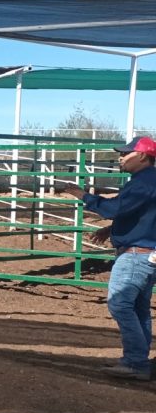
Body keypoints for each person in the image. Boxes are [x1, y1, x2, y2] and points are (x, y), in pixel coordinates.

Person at [65, 136, 156, 381]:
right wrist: (111, 230)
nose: (121, 157)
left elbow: (117, 208)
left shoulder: (143, 182)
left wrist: (84, 196)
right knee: (138, 308)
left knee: (120, 304)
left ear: (143, 156)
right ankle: (139, 359)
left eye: (126, 154)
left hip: (136, 255)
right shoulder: (147, 181)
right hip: (147, 254)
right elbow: (142, 214)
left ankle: (136, 362)